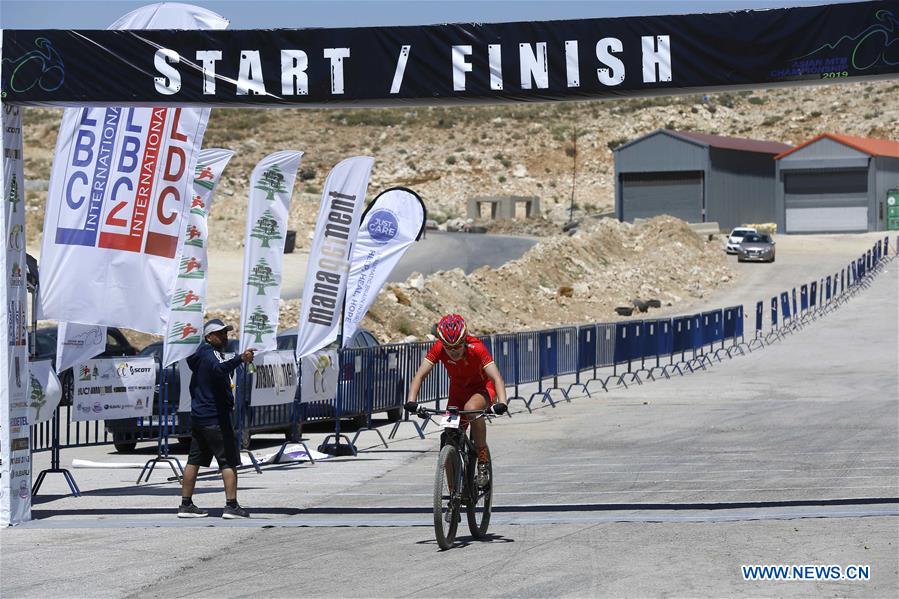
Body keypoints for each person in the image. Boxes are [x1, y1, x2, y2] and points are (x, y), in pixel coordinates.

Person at [405, 313, 508, 487]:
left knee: (472, 407)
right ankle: (454, 492)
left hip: (482, 389)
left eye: (457, 347)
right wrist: (411, 401)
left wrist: (502, 402)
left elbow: (497, 378)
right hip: (457, 392)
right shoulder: (438, 348)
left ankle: (482, 461)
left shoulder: (477, 348)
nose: (453, 352)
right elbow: (420, 375)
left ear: (464, 342)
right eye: (448, 347)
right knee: (448, 435)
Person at [178, 319, 255, 519]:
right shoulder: (210, 355)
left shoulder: (200, 356)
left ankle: (186, 505)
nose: (224, 337)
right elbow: (220, 369)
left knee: (193, 461)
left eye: (225, 333)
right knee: (228, 461)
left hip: (200, 417)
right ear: (208, 337)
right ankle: (231, 506)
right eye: (220, 334)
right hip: (215, 418)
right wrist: (241, 358)